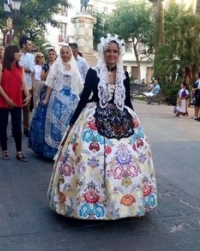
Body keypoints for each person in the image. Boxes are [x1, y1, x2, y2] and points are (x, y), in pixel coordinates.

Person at [48, 34, 157, 220]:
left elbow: (128, 101)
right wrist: (73, 122)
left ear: (119, 54)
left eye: (115, 51)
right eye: (109, 51)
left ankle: (125, 202)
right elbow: (84, 98)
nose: (112, 54)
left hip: (122, 119)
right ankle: (91, 202)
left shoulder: (124, 74)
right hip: (95, 117)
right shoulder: (93, 72)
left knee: (128, 158)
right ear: (103, 52)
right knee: (90, 157)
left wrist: (134, 122)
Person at [28, 45, 83, 159]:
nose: (65, 55)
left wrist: (79, 100)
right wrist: (46, 98)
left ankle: (67, 152)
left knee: (70, 125)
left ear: (70, 54)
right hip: (56, 98)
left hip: (71, 100)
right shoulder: (56, 66)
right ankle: (52, 152)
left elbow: (78, 84)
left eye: (67, 52)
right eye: (62, 52)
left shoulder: (74, 66)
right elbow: (50, 82)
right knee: (54, 124)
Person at [0, 45, 31, 162]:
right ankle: (4, 151)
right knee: (3, 126)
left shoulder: (20, 68)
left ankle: (19, 152)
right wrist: (6, 98)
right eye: (17, 52)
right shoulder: (0, 66)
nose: (20, 54)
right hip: (3, 100)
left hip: (16, 100)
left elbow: (24, 83)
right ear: (11, 53)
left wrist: (28, 95)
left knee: (17, 127)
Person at [19, 36, 35, 137]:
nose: (30, 46)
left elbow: (32, 69)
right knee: (15, 107)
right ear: (24, 45)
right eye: (29, 44)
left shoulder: (31, 56)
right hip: (16, 85)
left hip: (27, 84)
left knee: (26, 107)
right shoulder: (17, 54)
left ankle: (26, 127)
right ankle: (14, 128)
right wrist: (25, 69)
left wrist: (21, 69)